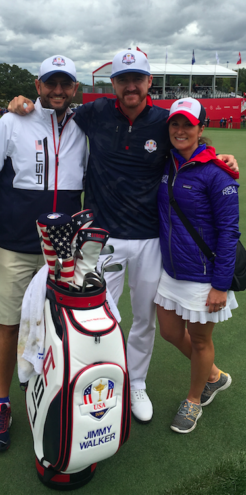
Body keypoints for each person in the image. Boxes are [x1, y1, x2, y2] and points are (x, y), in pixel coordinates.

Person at [8, 49, 238, 425]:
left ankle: (136, 384)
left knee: (145, 321)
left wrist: (222, 157)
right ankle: (96, 381)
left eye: (138, 78)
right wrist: (21, 102)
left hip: (150, 240)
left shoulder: (165, 122)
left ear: (149, 82)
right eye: (123, 79)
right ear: (113, 84)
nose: (130, 85)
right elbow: (53, 108)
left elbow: (192, 146)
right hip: (103, 238)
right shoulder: (94, 113)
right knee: (97, 315)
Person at [0, 55, 87, 452]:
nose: (57, 91)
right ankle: (2, 402)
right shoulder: (11, 121)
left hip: (62, 249)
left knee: (62, 325)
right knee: (8, 324)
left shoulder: (83, 126)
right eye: (50, 83)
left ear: (74, 89)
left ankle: (58, 393)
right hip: (13, 246)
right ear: (37, 85)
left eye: (64, 84)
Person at [154, 98, 239, 433]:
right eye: (175, 124)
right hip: (171, 270)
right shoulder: (165, 163)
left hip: (204, 277)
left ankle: (193, 401)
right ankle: (215, 376)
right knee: (171, 333)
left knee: (200, 340)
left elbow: (229, 231)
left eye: (188, 124)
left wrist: (220, 284)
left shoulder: (217, 172)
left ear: (201, 128)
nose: (180, 130)